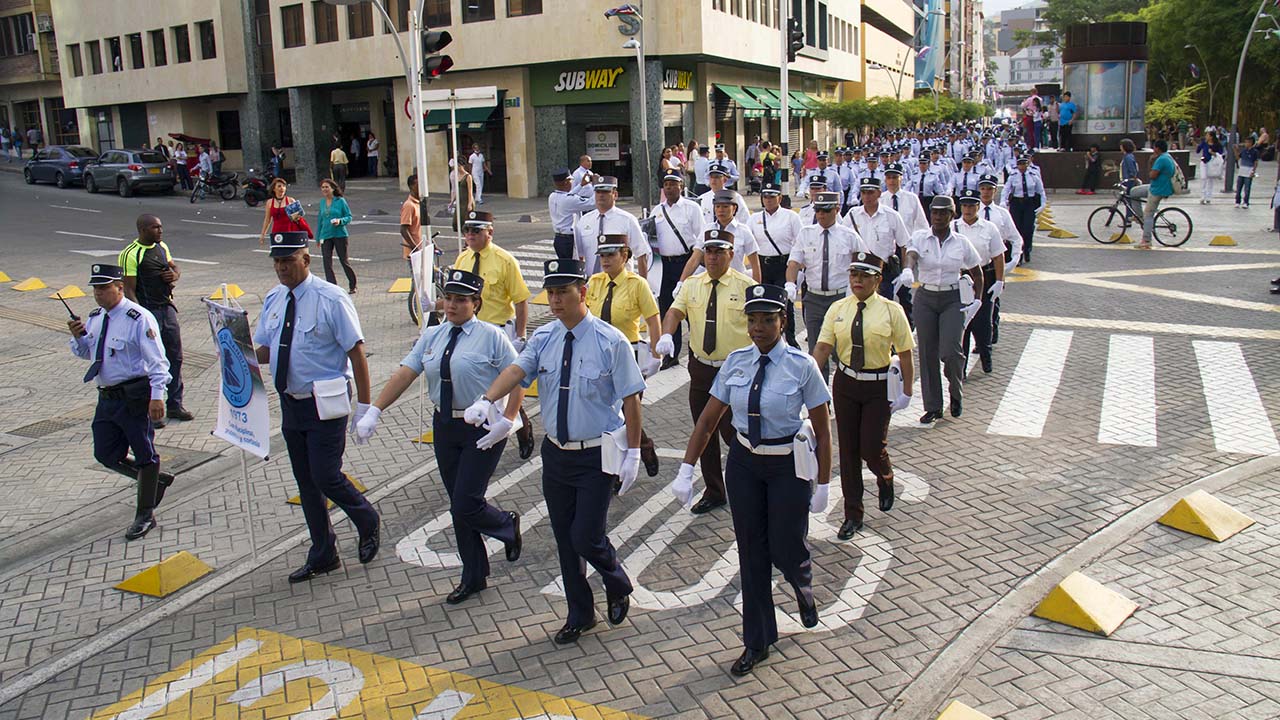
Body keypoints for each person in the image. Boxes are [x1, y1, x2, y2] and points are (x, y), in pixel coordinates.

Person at [467, 258, 643, 645]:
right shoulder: (544, 338)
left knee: (586, 535)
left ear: (583, 293)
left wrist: (632, 452)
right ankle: (580, 613)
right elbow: (517, 372)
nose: (556, 300)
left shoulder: (611, 341)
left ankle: (616, 581)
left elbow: (632, 398)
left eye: (563, 292)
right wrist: (487, 399)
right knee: (565, 537)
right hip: (557, 453)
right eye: (551, 293)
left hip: (596, 454)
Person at [670, 283, 831, 677]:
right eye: (753, 319)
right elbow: (709, 419)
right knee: (751, 552)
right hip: (744, 463)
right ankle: (757, 640)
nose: (758, 327)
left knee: (785, 545)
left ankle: (801, 581)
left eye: (767, 319)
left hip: (786, 466)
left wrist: (824, 483)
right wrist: (687, 468)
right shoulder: (736, 362)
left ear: (783, 321)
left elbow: (824, 430)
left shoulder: (802, 366)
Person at [356, 269, 525, 604]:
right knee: (457, 505)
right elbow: (406, 373)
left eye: (461, 300)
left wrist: (508, 419)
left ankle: (505, 524)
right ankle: (473, 575)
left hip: (482, 427)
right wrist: (375, 409)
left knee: (466, 501)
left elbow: (518, 376)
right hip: (445, 426)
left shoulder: (491, 336)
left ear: (476, 304)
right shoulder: (433, 335)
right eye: (448, 298)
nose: (452, 305)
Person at [253, 232, 380, 582]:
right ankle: (323, 553)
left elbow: (356, 351)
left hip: (325, 403)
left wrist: (365, 406)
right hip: (290, 402)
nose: (281, 268)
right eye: (277, 262)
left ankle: (367, 518)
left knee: (326, 475)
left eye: (288, 260)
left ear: (306, 260)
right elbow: (265, 350)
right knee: (306, 482)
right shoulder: (274, 298)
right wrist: (234, 349)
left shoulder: (331, 298)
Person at [811, 253, 913, 540]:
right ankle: (853, 514)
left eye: (864, 276)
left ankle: (885, 476)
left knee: (871, 446)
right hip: (845, 383)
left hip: (877, 387)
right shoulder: (838, 309)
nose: (857, 280)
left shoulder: (892, 311)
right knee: (848, 451)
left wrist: (907, 391)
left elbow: (905, 353)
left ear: (877, 280)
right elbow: (823, 347)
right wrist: (808, 380)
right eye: (854, 275)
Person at [69, 263, 173, 540]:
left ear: (119, 288)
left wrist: (157, 396)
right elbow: (89, 353)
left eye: (104, 288)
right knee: (105, 454)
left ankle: (145, 515)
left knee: (145, 454)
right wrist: (78, 337)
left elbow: (158, 361)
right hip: (106, 397)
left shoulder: (138, 318)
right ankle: (155, 481)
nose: (98, 294)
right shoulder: (96, 317)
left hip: (134, 396)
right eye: (95, 289)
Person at [655, 231, 754, 515]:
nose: (712, 257)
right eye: (708, 251)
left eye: (718, 251)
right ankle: (714, 490)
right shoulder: (692, 285)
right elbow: (675, 312)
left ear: (731, 254)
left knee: (735, 433)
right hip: (701, 368)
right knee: (703, 430)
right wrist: (666, 334)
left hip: (734, 371)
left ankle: (748, 483)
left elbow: (761, 325)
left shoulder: (746, 286)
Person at [452, 211, 536, 461]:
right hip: (471, 331)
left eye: (476, 231)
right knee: (480, 384)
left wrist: (520, 335)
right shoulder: (463, 258)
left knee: (507, 385)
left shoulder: (504, 260)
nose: (470, 235)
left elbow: (521, 300)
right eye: (467, 230)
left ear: (489, 232)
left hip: (499, 332)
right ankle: (485, 426)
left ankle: (519, 426)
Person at [586, 237, 662, 479]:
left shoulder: (637, 284)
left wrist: (656, 352)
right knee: (611, 414)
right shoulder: (594, 282)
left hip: (628, 355)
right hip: (598, 355)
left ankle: (620, 469)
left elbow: (653, 319)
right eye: (602, 255)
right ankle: (643, 446)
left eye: (611, 255)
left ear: (625, 256)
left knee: (626, 412)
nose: (605, 260)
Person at [904, 197, 984, 425]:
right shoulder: (921, 237)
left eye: (943, 213)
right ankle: (933, 407)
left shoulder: (961, 242)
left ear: (952, 215)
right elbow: (911, 254)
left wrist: (977, 300)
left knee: (950, 351)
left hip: (952, 298)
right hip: (926, 297)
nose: (938, 217)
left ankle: (955, 391)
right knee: (927, 353)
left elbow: (977, 272)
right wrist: (908, 269)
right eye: (935, 213)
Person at [119, 214, 192, 426]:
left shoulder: (162, 247)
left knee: (175, 357)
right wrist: (142, 319)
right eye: (155, 227)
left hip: (166, 309)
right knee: (150, 361)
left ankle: (175, 405)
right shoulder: (131, 254)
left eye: (160, 227)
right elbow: (128, 290)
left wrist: (174, 275)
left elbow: (174, 267)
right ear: (143, 230)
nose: (160, 231)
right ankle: (152, 412)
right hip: (147, 311)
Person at [786, 191, 863, 382]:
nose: (821, 214)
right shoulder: (806, 234)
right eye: (818, 210)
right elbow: (794, 262)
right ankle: (820, 396)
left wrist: (854, 288)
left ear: (837, 209)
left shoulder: (849, 236)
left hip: (840, 299)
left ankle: (844, 388)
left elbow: (863, 264)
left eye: (826, 210)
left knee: (840, 348)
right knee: (816, 349)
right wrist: (790, 283)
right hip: (814, 298)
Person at [651, 169, 704, 368]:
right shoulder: (657, 211)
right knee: (667, 309)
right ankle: (671, 354)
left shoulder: (692, 208)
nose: (669, 188)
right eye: (666, 185)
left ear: (681, 186)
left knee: (691, 309)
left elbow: (702, 237)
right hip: (664, 266)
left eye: (673, 184)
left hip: (686, 263)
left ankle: (695, 351)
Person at [952, 189, 1006, 374]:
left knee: (982, 323)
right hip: (960, 278)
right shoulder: (952, 227)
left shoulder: (989, 228)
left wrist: (999, 281)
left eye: (972, 206)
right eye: (964, 205)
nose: (968, 210)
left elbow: (998, 256)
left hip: (983, 276)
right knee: (962, 324)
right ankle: (962, 367)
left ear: (978, 207)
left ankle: (986, 356)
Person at [749, 181, 803, 347]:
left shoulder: (791, 216)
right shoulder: (755, 218)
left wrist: (798, 267)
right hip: (763, 265)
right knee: (763, 302)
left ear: (779, 198)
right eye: (765, 197)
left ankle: (790, 339)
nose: (768, 200)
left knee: (785, 303)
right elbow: (748, 242)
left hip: (783, 264)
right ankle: (767, 338)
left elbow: (800, 242)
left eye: (772, 197)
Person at [574, 176, 650, 277]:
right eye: (598, 192)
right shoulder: (584, 221)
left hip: (620, 282)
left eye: (605, 192)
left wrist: (642, 283)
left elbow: (641, 254)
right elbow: (579, 256)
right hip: (592, 282)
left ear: (615, 195)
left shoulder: (627, 220)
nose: (601, 195)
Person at [978, 174, 1022, 345]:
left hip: (995, 264)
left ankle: (990, 336)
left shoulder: (1002, 214)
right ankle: (981, 339)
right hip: (976, 264)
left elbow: (1016, 238)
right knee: (974, 301)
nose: (986, 192)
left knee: (992, 302)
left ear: (995, 191)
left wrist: (1014, 260)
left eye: (990, 189)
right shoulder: (972, 211)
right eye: (983, 188)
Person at [681, 189, 761, 283]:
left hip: (736, 283)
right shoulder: (707, 229)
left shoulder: (743, 231)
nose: (721, 210)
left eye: (725, 206)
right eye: (717, 206)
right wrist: (681, 283)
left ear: (734, 208)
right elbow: (695, 259)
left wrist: (756, 287)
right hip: (711, 282)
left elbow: (755, 265)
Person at [1000, 155, 1045, 264]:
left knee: (1028, 228)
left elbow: (1041, 191)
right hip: (1016, 203)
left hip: (1029, 203)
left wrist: (1043, 204)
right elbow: (1006, 189)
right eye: (1020, 164)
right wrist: (1003, 201)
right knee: (1017, 229)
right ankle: (1018, 254)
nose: (1022, 166)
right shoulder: (1013, 176)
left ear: (1027, 164)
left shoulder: (1033, 175)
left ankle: (1027, 249)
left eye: (1024, 163)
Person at [317, 178, 357, 293]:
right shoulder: (322, 202)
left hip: (339, 235)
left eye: (327, 187)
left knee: (344, 260)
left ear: (333, 188)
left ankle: (352, 285)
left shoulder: (340, 201)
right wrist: (318, 237)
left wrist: (340, 221)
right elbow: (320, 221)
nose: (324, 189)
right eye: (323, 187)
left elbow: (349, 216)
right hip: (326, 235)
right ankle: (332, 287)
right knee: (327, 262)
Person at [549, 167, 595, 258]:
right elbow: (593, 203)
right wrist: (596, 185)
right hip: (569, 240)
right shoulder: (570, 200)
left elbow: (568, 196)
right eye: (570, 181)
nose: (572, 183)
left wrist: (581, 185)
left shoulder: (552, 196)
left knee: (564, 264)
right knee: (574, 265)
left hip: (558, 239)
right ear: (566, 182)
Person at [1140, 140, 1178, 250]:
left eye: (1154, 147)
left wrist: (1151, 161)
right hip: (1157, 187)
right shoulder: (1168, 156)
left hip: (1157, 190)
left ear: (1157, 148)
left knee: (1148, 214)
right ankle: (1139, 217)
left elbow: (1152, 175)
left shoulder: (1161, 159)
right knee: (1134, 192)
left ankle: (1146, 240)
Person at [258, 178, 313, 247]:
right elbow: (267, 220)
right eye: (279, 186)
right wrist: (263, 234)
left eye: (284, 186)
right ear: (274, 189)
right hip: (277, 232)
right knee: (278, 252)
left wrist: (296, 216)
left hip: (290, 231)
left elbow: (299, 219)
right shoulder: (269, 202)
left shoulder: (290, 200)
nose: (282, 188)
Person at [1196, 130, 1224, 205]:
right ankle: (1203, 196)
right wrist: (1197, 145)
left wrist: (1213, 153)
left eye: (1207, 135)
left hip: (1212, 163)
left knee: (1210, 179)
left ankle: (1208, 197)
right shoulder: (1204, 143)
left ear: (1211, 137)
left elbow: (1221, 154)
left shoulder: (1217, 144)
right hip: (1204, 162)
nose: (1206, 137)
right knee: (1203, 178)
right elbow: (1198, 150)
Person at [1235, 136, 1260, 208]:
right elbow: (1238, 158)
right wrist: (1236, 150)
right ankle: (1237, 201)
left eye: (1247, 142)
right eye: (1245, 142)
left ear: (1251, 143)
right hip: (1241, 171)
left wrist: (1253, 171)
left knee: (1247, 188)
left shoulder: (1254, 152)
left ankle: (1246, 202)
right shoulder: (1243, 150)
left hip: (1249, 171)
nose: (1246, 144)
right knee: (1238, 188)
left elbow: (1255, 162)